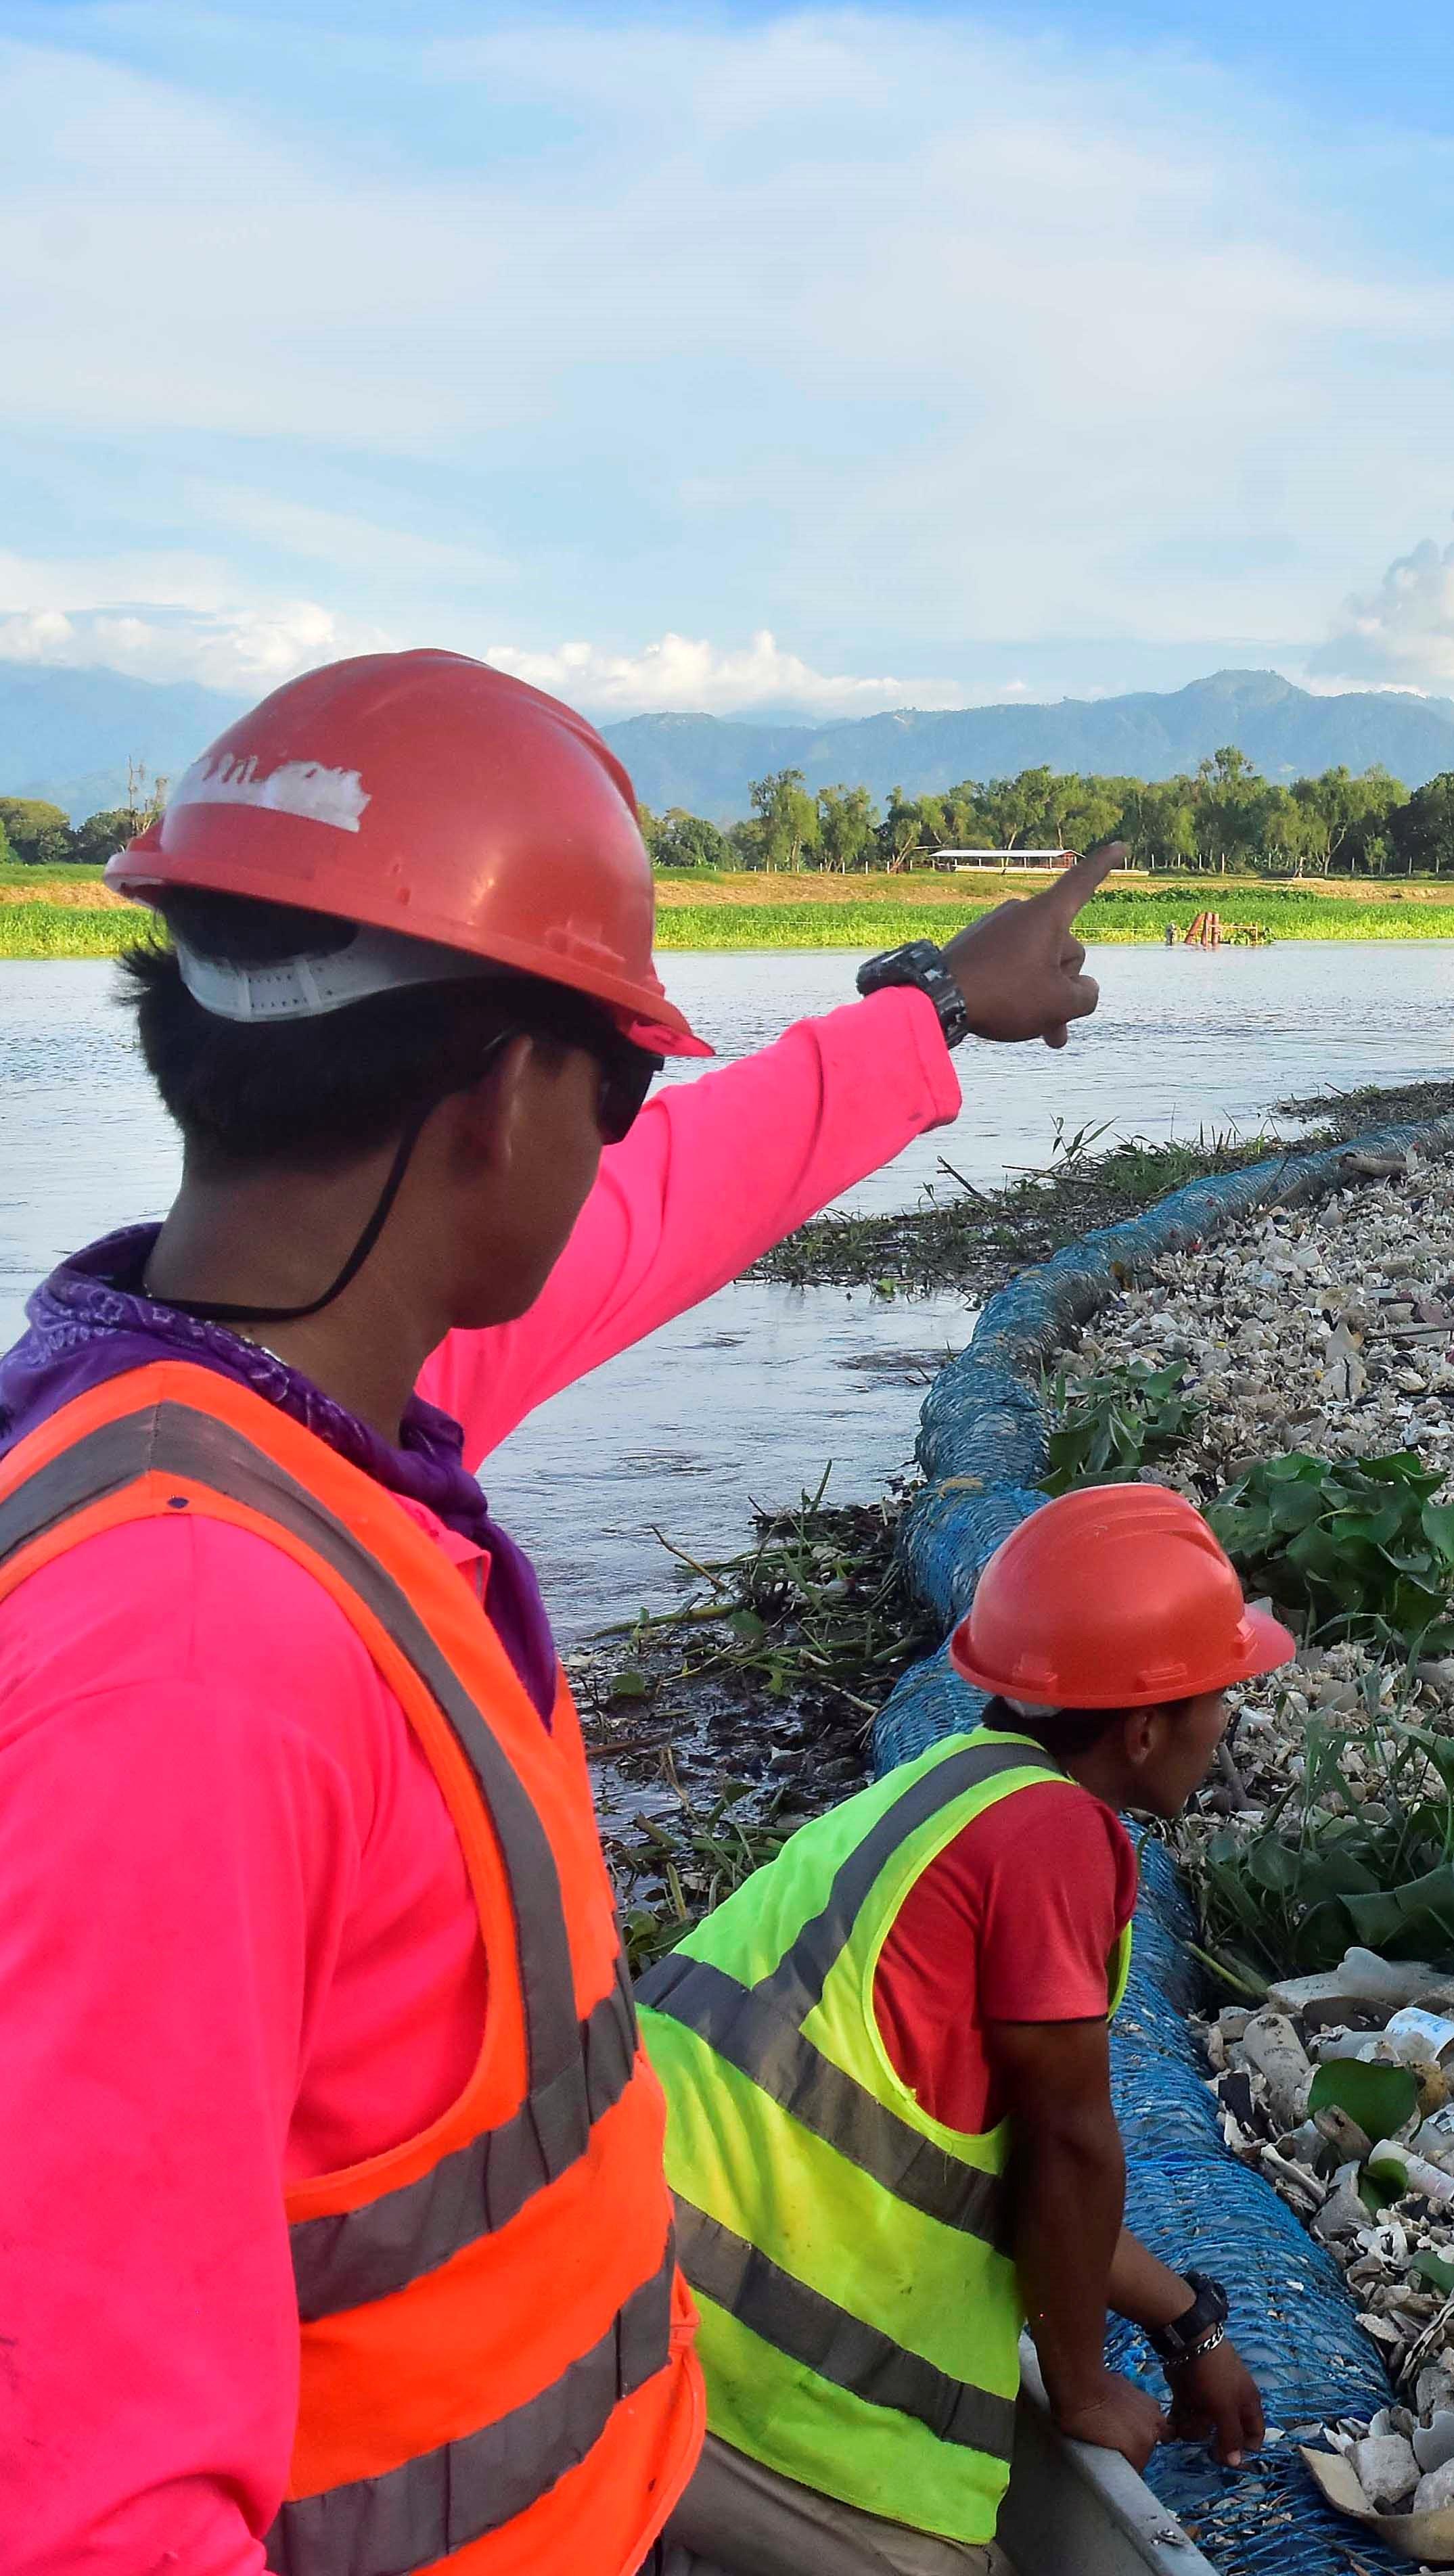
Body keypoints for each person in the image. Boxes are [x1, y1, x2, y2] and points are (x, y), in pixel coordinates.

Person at [0, 651, 1111, 2576]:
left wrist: (926, 1013)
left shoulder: (302, 1411)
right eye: (614, 1083)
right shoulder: (192, 1652)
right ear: (506, 1102)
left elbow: (663, 1205)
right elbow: (82, 2489)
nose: (621, 1141)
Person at [640, 1483, 1288, 2575]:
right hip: (727, 2339)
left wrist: (1187, 2324)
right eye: (1219, 1697)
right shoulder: (1056, 1841)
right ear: (1143, 1725)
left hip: (614, 2240)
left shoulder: (953, 1787)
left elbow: (960, 2170)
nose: (1226, 1724)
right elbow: (1069, 2147)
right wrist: (1079, 2386)